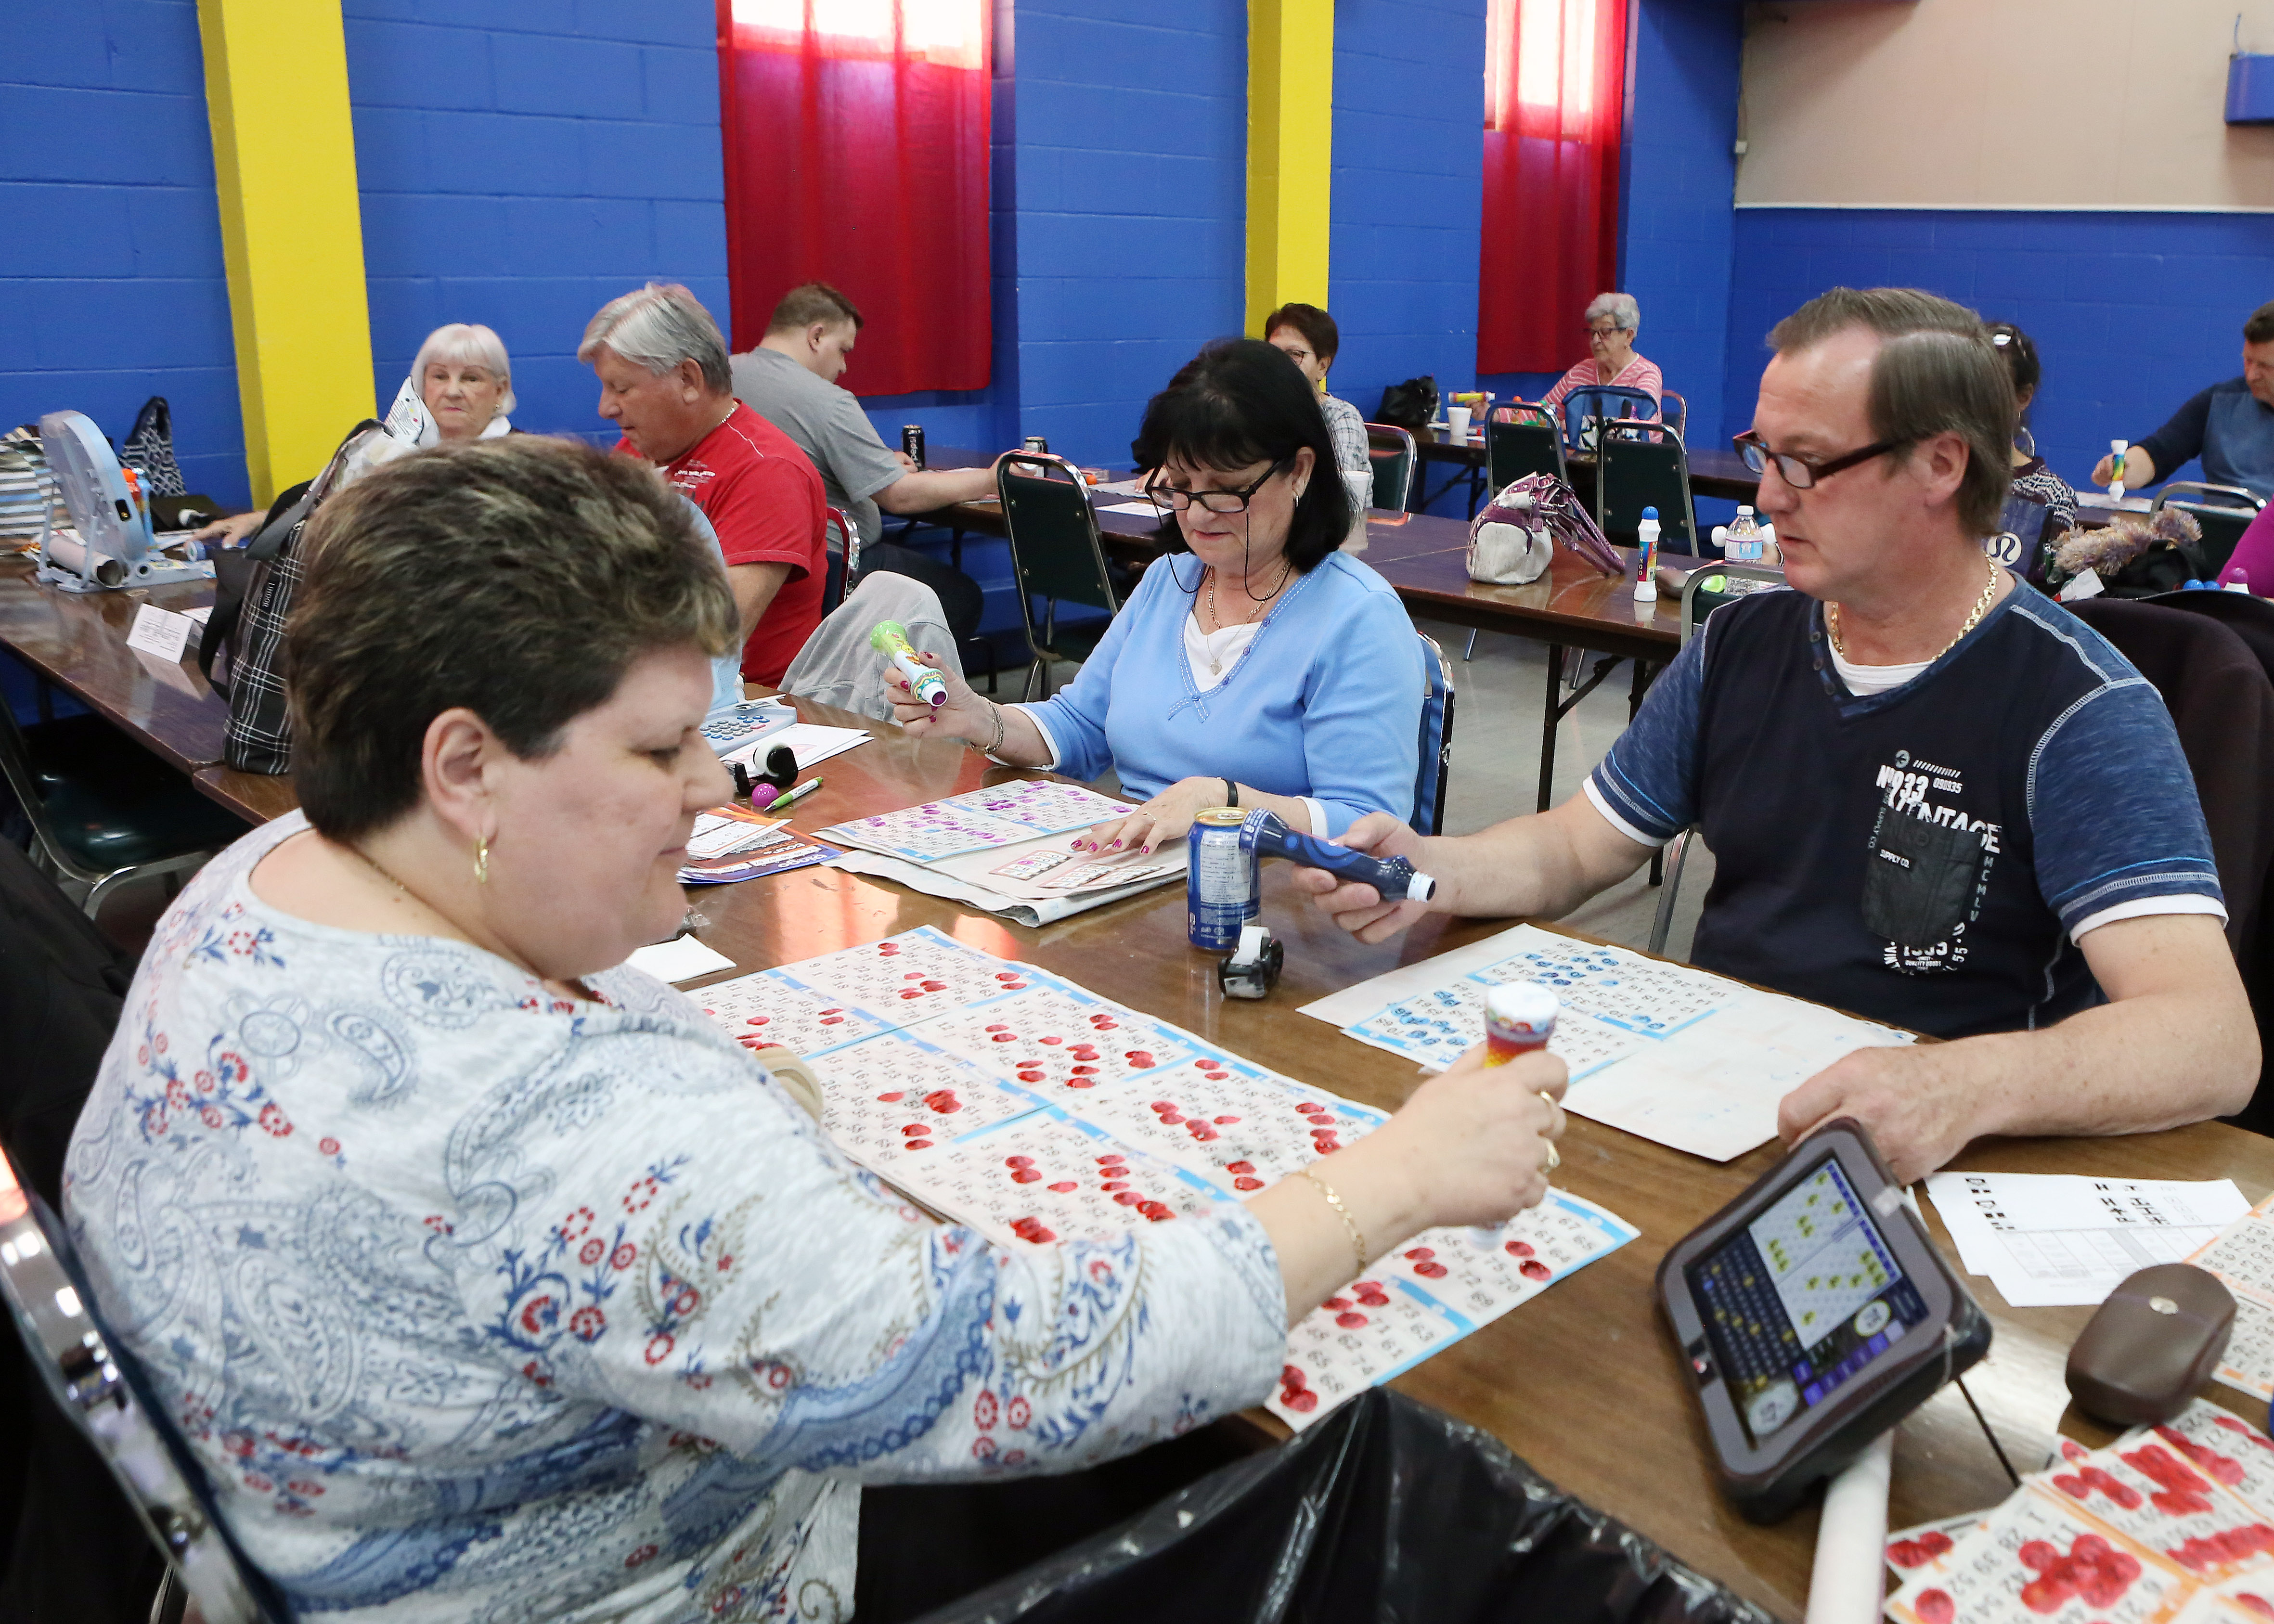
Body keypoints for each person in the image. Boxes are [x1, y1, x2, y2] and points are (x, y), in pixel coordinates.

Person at [63, 434, 1565, 1621]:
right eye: (660, 746)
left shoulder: (252, 878)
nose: (717, 787)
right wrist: (1396, 1175)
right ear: (462, 763)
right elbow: (1021, 1360)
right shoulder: (577, 1129)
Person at [1296, 287, 2260, 1185]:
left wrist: (1961, 1085)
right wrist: (1432, 866)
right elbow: (1574, 847)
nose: (1764, 499)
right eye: (1763, 453)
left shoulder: (2078, 705)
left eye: (1806, 464)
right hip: (1714, 1117)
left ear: (1939, 463)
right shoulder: (1741, 642)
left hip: (1924, 1159)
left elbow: (2208, 1038)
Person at [890, 339, 1424, 850]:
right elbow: (1079, 726)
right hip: (1138, 878)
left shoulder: (1356, 616)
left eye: (1224, 490)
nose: (1194, 514)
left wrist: (1223, 801)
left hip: (1270, 896)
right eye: (1179, 487)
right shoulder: (1170, 580)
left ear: (1299, 471)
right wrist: (980, 717)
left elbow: (1367, 821)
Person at [581, 282, 827, 687]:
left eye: (622, 388)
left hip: (749, 705)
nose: (605, 408)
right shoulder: (638, 450)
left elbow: (712, 640)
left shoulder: (767, 470)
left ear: (689, 379)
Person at [730, 282, 998, 641]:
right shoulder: (826, 399)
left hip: (738, 553)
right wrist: (991, 479)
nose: (843, 366)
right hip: (828, 561)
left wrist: (872, 462)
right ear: (816, 336)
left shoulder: (723, 379)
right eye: (842, 350)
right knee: (959, 596)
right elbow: (900, 496)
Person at [194, 321, 518, 545]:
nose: (453, 391)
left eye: (471, 379)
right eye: (439, 376)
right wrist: (264, 522)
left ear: (500, 390)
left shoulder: (520, 462)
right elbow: (331, 506)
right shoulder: (392, 447)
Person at [2092, 300, 2274, 500]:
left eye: (2266, 366)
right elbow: (2161, 453)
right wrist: (2121, 467)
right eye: (2248, 360)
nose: (2252, 375)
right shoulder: (2218, 402)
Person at [1983, 321, 2077, 584]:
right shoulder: (1935, 478)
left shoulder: (2053, 495)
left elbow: (2045, 591)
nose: (1974, 403)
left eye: (1991, 391)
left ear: (2023, 397)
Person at [1263, 301, 1372, 513]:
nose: (1280, 365)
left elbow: (1337, 491)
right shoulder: (1260, 411)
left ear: (1322, 367)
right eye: (1273, 354)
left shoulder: (1342, 417)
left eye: (1294, 355)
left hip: (1333, 531)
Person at [1538, 292, 1664, 416]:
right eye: (1593, 333)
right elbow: (1542, 415)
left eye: (1605, 332)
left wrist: (1573, 426)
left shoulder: (1646, 375)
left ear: (1628, 336)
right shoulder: (1580, 373)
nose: (1596, 340)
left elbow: (1641, 428)